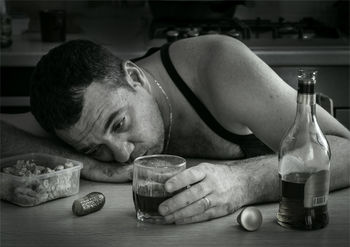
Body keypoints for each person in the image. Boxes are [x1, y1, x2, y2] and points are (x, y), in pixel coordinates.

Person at [1, 35, 349, 224]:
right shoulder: (80, 116)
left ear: (134, 76)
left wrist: (245, 182)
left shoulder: (218, 64)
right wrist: (92, 167)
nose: (122, 154)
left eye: (119, 124)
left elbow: (343, 148)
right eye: (94, 147)